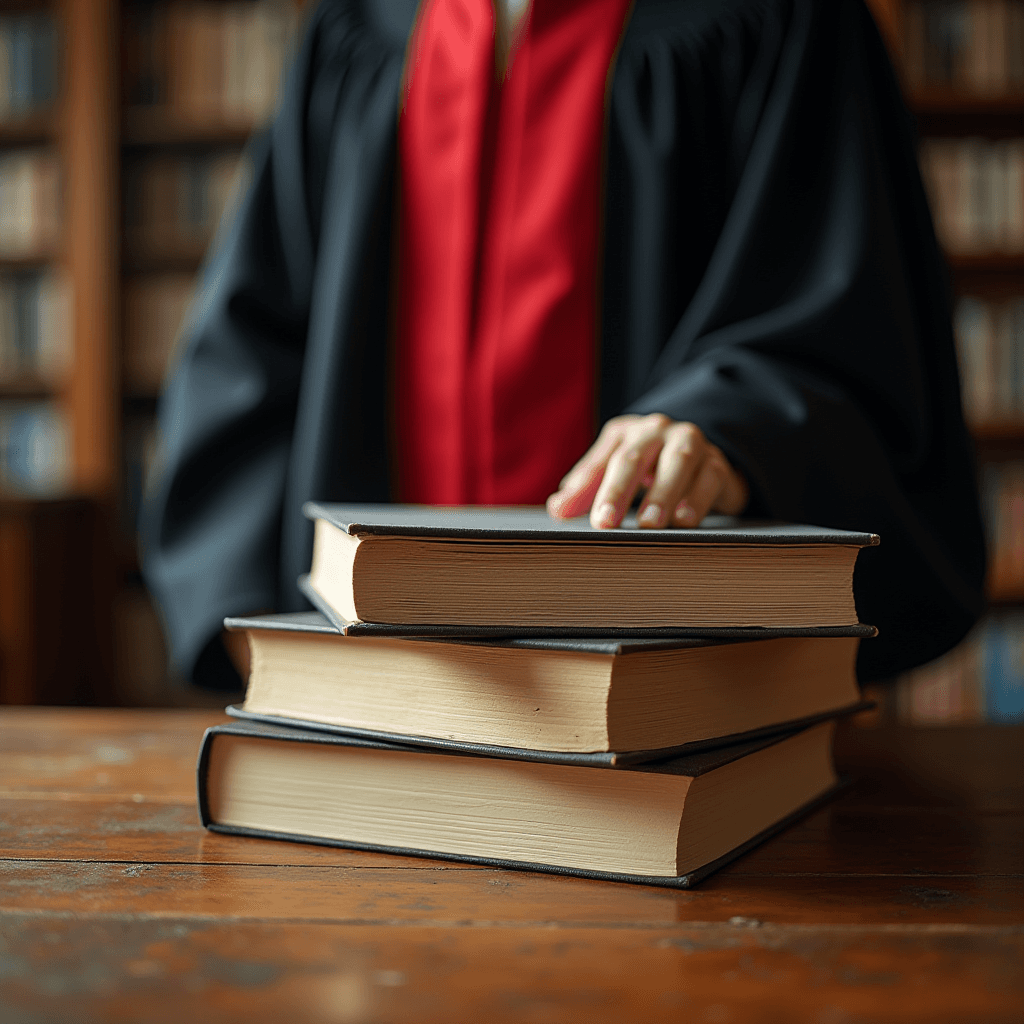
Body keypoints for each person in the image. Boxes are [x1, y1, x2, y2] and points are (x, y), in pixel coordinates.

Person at [140, 0, 986, 691]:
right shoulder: (357, 31)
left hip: (670, 697)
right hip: (367, 700)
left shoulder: (777, 20)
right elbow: (247, 357)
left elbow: (851, 316)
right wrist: (263, 637)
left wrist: (730, 428)